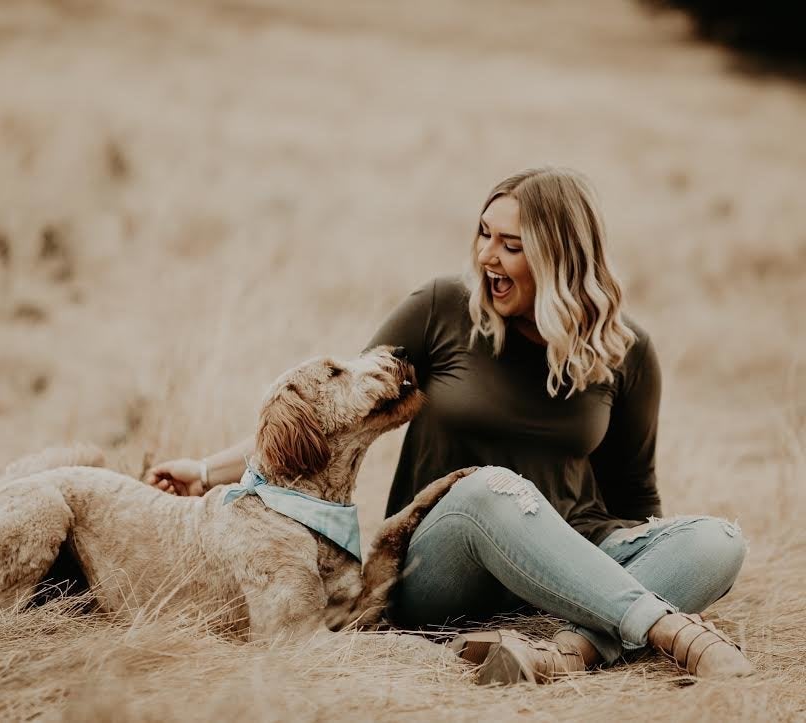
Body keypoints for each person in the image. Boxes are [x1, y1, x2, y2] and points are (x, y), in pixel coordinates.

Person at [145, 167, 753, 683]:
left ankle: (568, 651)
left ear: (561, 256)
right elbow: (329, 417)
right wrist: (205, 471)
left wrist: (654, 555)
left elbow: (635, 494)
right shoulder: (441, 310)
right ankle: (669, 630)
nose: (488, 255)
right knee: (488, 488)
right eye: (484, 234)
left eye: (511, 244)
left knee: (720, 541)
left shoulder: (627, 351)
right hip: (443, 557)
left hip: (573, 549)